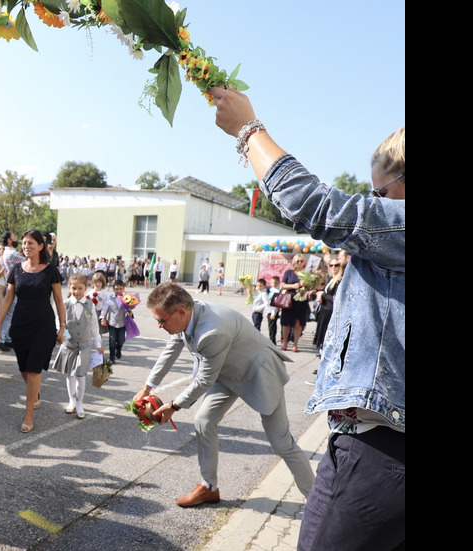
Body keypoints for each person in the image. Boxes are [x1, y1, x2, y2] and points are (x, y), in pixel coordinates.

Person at [212, 86, 404, 550]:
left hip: (381, 450)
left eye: (381, 193)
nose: (376, 202)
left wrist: (248, 130)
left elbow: (316, 206)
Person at [134, 283, 315, 508]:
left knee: (281, 443)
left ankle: (318, 502)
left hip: (259, 372)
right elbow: (171, 350)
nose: (160, 326)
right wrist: (147, 387)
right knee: (203, 420)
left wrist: (174, 405)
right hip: (227, 372)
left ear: (181, 311)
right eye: (157, 321)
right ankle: (209, 487)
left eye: (162, 320)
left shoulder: (212, 331)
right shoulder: (188, 316)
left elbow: (204, 380)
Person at [0, 229, 66, 433]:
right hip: (20, 324)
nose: (26, 247)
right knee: (24, 369)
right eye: (24, 243)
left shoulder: (51, 270)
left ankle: (28, 414)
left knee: (34, 369)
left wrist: (63, 326)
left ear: (41, 246)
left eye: (31, 243)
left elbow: (59, 300)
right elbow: (8, 298)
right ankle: (36, 394)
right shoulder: (16, 269)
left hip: (43, 325)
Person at [51, 273, 103, 419]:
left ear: (85, 288)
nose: (77, 291)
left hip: (85, 345)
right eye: (74, 288)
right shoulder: (65, 303)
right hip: (70, 344)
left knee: (81, 374)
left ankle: (80, 402)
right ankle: (71, 401)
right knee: (70, 374)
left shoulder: (90, 304)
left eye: (80, 288)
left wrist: (98, 343)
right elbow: (59, 322)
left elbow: (94, 326)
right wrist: (65, 337)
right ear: (69, 287)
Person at [0, 231, 25, 352]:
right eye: (15, 237)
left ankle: (6, 338)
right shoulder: (11, 253)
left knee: (10, 314)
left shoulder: (9, 252)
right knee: (9, 314)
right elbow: (27, 260)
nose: (17, 239)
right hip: (14, 286)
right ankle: (0, 340)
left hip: (13, 285)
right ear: (10, 241)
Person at [312, 260, 343, 359]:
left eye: (336, 265)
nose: (334, 267)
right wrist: (317, 292)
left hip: (330, 313)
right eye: (331, 265)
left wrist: (323, 295)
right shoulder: (331, 279)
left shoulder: (340, 281)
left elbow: (336, 299)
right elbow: (325, 293)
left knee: (328, 340)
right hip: (324, 311)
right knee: (322, 340)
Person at [279, 254, 309, 353]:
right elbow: (283, 285)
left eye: (301, 261)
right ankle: (285, 343)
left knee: (298, 323)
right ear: (294, 262)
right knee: (286, 323)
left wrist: (306, 284)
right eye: (298, 261)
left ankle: (295, 344)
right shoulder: (289, 272)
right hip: (289, 300)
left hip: (301, 300)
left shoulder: (307, 273)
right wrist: (293, 286)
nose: (300, 263)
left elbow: (313, 285)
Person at [100, 280, 130, 363]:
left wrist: (130, 312)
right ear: (113, 289)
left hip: (122, 323)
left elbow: (129, 310)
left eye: (120, 289)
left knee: (121, 339)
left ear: (123, 289)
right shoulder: (109, 299)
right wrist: (103, 318)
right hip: (112, 323)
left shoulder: (126, 298)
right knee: (112, 340)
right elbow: (105, 309)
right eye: (116, 289)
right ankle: (112, 357)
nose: (118, 291)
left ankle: (118, 349)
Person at [265, 276, 282, 345]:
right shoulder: (270, 290)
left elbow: (276, 303)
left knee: (273, 325)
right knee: (270, 325)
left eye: (276, 282)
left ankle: (273, 339)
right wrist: (266, 312)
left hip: (274, 310)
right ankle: (271, 338)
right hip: (269, 310)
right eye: (272, 282)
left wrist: (273, 313)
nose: (274, 283)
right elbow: (267, 302)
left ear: (278, 283)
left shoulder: (278, 291)